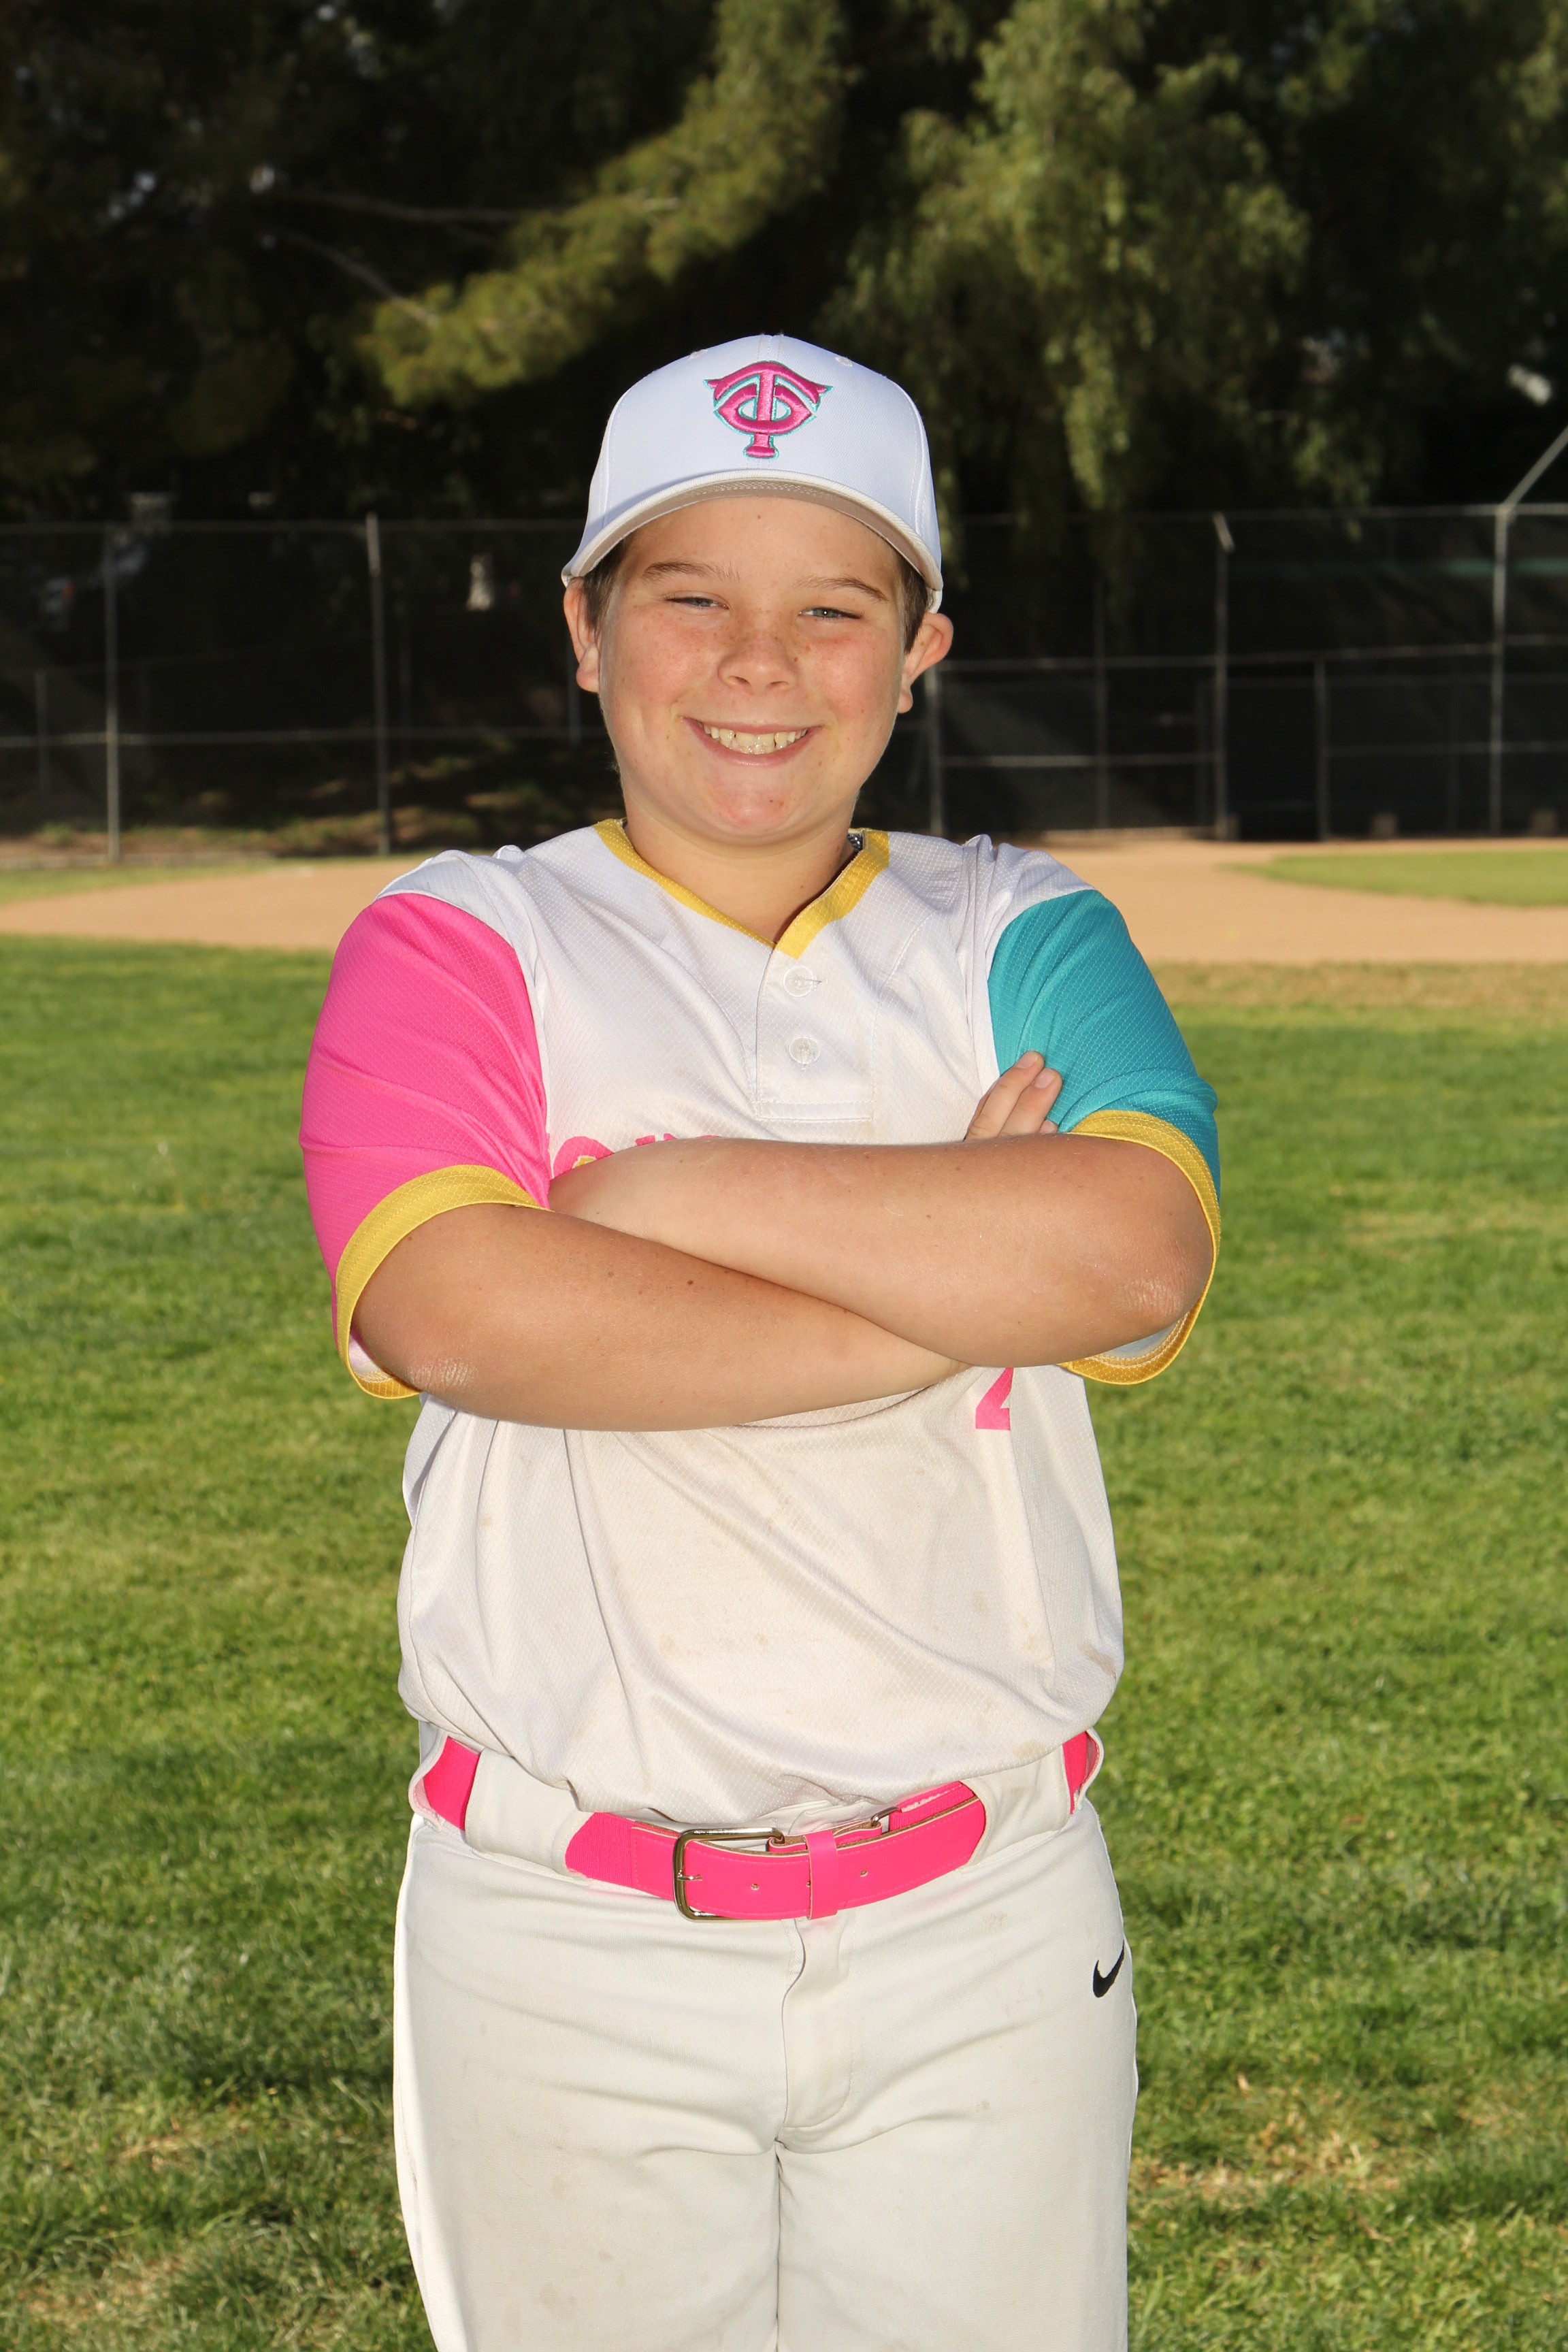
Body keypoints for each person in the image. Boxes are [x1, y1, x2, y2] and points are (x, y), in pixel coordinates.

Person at [299, 333, 1220, 2352]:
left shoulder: (1021, 930)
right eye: (690, 596)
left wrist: (651, 1198)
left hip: (985, 1917)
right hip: (565, 1931)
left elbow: (1133, 1256)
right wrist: (947, 1280)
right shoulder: (456, 940)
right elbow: (461, 1310)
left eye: (834, 610)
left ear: (922, 649)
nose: (757, 666)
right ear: (583, 628)